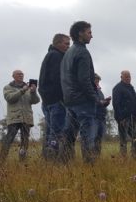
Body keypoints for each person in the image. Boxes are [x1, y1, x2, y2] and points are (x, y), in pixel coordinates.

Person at [60, 20, 98, 163]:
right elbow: (84, 80)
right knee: (88, 135)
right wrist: (95, 98)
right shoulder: (82, 52)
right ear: (80, 33)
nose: (91, 36)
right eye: (89, 32)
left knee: (69, 135)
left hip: (70, 100)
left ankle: (64, 165)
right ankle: (89, 167)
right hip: (83, 101)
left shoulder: (68, 53)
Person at [38, 33, 70, 160]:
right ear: (58, 43)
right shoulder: (57, 56)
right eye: (66, 43)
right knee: (56, 132)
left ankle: (46, 156)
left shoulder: (49, 55)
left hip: (47, 100)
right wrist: (63, 98)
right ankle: (52, 158)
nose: (68, 46)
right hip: (56, 100)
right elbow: (58, 79)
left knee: (49, 131)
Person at [0, 70, 40, 162]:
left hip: (26, 118)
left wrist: (33, 92)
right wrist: (23, 90)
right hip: (14, 118)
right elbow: (10, 98)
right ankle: (1, 160)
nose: (21, 75)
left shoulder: (28, 88)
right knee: (9, 139)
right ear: (13, 76)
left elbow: (36, 101)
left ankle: (22, 161)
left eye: (22, 74)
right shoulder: (7, 87)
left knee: (25, 141)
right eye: (18, 74)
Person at [112, 70, 136, 158]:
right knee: (123, 139)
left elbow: (135, 102)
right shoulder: (117, 88)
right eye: (126, 77)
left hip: (132, 117)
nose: (128, 78)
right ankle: (123, 157)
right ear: (121, 77)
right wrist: (120, 118)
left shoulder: (131, 88)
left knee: (135, 137)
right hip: (123, 118)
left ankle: (134, 156)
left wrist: (135, 116)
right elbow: (116, 104)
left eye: (129, 76)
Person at [93, 73, 111, 156]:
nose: (97, 82)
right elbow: (94, 102)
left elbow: (101, 102)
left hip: (101, 117)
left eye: (98, 80)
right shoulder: (91, 90)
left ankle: (97, 157)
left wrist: (106, 102)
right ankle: (91, 157)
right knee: (93, 138)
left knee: (99, 139)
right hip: (94, 118)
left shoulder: (99, 91)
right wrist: (102, 102)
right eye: (96, 80)